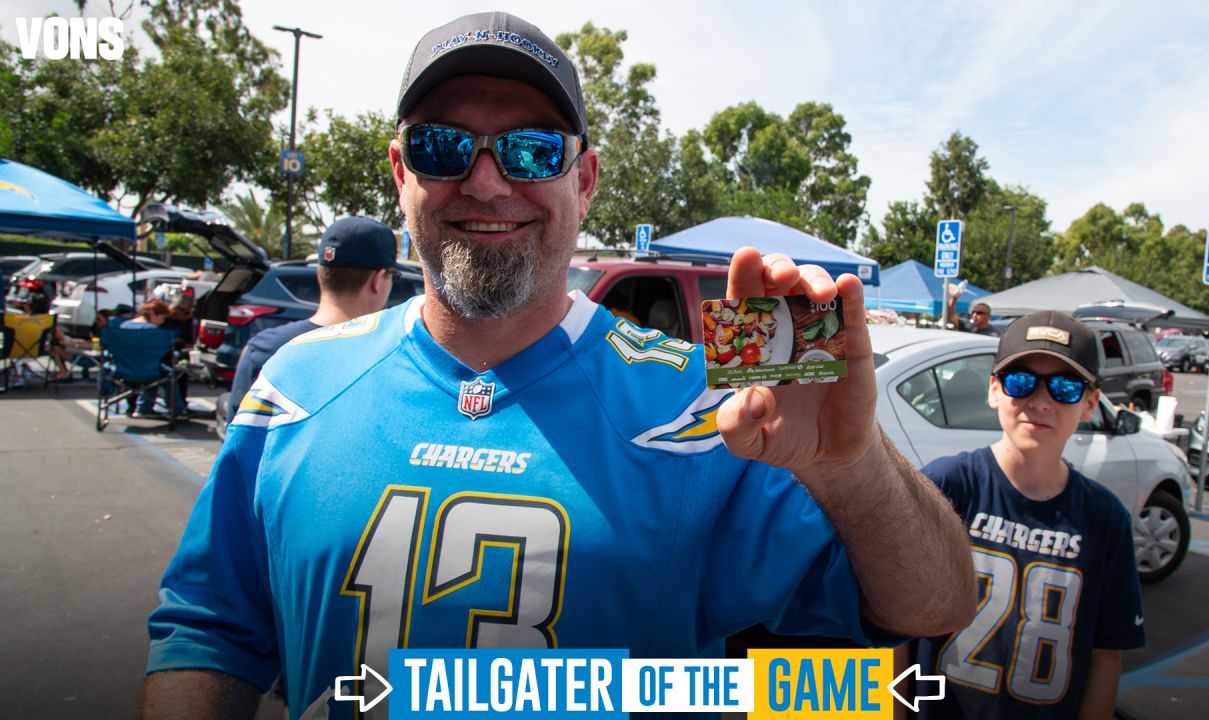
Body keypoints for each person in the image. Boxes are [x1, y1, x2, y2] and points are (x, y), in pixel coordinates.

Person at [143, 12, 976, 719]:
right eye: (441, 147)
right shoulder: (298, 382)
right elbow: (209, 629)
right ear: (400, 174)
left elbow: (932, 611)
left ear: (584, 180)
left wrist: (853, 464)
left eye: (532, 151)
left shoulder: (706, 403)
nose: (484, 180)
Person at [900, 310, 1145, 718]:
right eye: (1021, 381)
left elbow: (1105, 658)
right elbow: (896, 634)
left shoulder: (1105, 519)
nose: (1039, 401)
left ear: (1090, 403)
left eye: (1064, 387)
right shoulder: (947, 485)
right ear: (994, 390)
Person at [226, 216, 398, 413]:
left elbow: (239, 435)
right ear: (377, 280)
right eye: (393, 276)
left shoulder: (262, 350)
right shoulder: (389, 358)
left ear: (320, 272)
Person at [119, 299, 184, 419]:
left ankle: (144, 407)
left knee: (153, 371)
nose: (162, 322)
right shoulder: (154, 332)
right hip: (149, 370)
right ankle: (177, 410)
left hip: (122, 370)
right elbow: (164, 352)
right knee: (167, 373)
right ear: (153, 314)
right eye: (162, 318)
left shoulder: (123, 326)